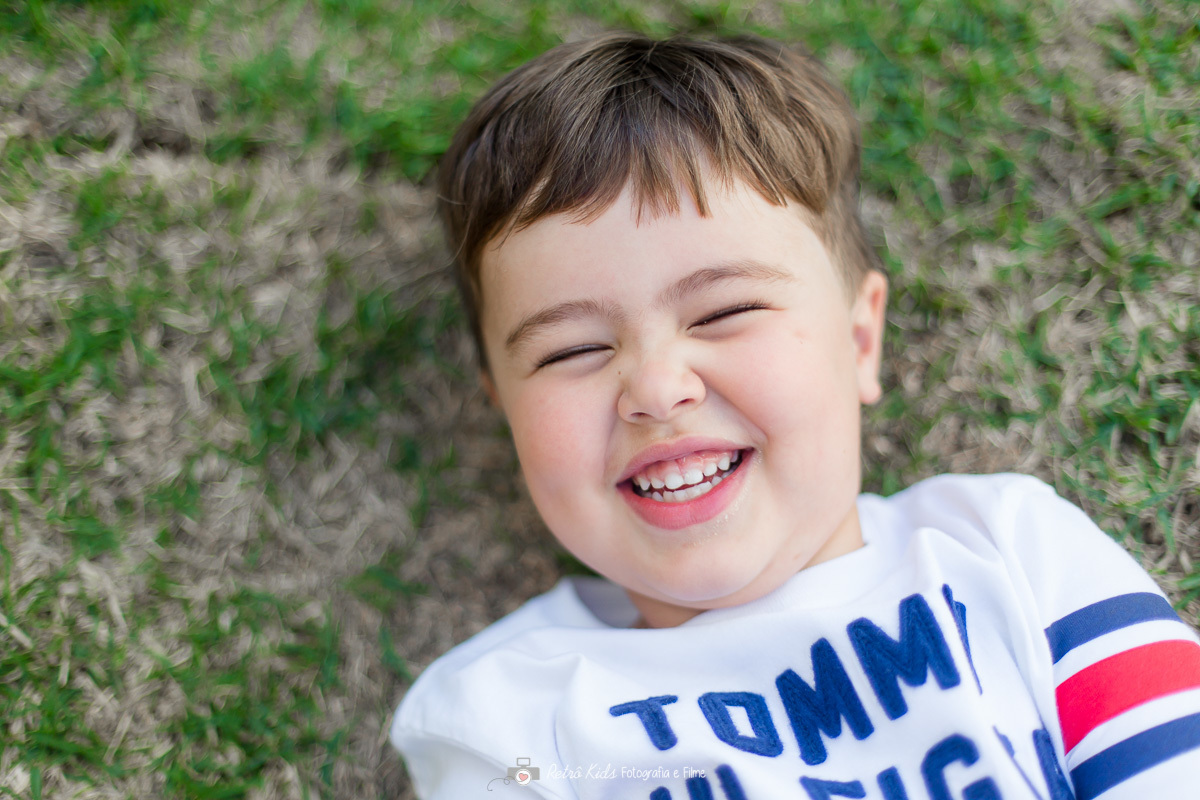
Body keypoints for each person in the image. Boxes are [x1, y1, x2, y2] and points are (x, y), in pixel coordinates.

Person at [390, 32, 1200, 800]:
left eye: (725, 310)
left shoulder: (1011, 549)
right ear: (503, 403)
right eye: (571, 351)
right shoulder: (504, 715)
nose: (657, 387)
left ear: (858, 339)